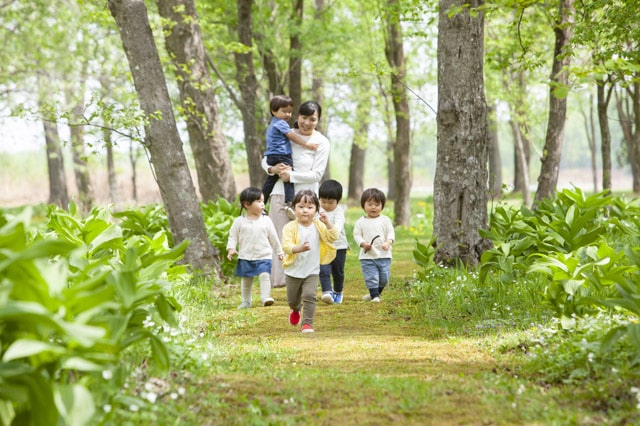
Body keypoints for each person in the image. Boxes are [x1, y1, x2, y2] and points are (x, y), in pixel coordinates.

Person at [262, 100, 330, 288]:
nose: (307, 122)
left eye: (312, 119)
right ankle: (280, 282)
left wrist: (291, 176)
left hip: (307, 199)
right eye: (304, 117)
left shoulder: (321, 142)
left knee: (306, 239)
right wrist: (272, 169)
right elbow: (266, 159)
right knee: (280, 238)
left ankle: (305, 282)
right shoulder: (286, 133)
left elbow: (317, 174)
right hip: (280, 195)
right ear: (297, 116)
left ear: (318, 120)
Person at [281, 189, 338, 333]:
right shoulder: (289, 227)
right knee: (292, 300)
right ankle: (295, 310)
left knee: (309, 296)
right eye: (301, 207)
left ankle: (307, 323)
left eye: (310, 207)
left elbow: (333, 236)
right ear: (294, 209)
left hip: (312, 270)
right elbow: (286, 246)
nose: (305, 211)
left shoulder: (319, 225)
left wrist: (328, 223)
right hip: (293, 270)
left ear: (317, 210)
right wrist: (298, 248)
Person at [226, 187, 284, 309]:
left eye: (263, 201)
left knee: (264, 275)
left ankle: (265, 297)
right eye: (258, 201)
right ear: (247, 204)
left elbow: (274, 238)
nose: (263, 204)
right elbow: (232, 236)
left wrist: (279, 251)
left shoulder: (266, 220)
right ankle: (246, 301)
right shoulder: (239, 222)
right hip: (245, 256)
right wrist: (231, 248)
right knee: (246, 281)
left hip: (264, 255)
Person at [262, 95, 318, 207]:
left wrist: (272, 167)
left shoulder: (272, 123)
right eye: (284, 111)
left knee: (270, 181)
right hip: (282, 155)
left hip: (271, 156)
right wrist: (307, 144)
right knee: (288, 176)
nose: (288, 115)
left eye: (289, 112)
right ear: (273, 111)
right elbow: (293, 136)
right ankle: (289, 202)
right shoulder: (281, 123)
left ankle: (261, 201)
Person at [352, 188, 395, 303]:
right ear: (363, 205)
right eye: (370, 204)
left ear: (382, 205)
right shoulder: (361, 222)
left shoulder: (385, 220)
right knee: (371, 277)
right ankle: (375, 295)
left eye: (377, 204)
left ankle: (374, 294)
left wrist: (388, 242)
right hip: (367, 256)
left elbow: (391, 233)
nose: (373, 207)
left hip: (384, 255)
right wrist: (363, 244)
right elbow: (357, 235)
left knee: (384, 278)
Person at [318, 179, 348, 304]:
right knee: (323, 269)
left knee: (338, 272)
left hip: (338, 246)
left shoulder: (339, 212)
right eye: (323, 201)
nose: (326, 205)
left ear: (338, 201)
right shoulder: (317, 210)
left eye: (330, 202)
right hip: (323, 246)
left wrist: (326, 222)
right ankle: (327, 292)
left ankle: (338, 291)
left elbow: (337, 230)